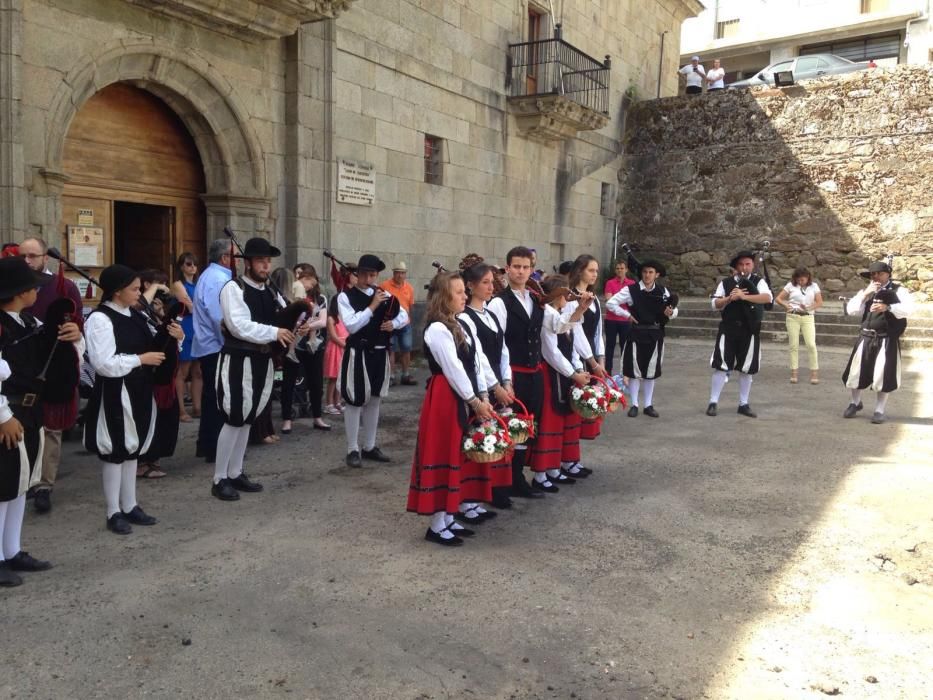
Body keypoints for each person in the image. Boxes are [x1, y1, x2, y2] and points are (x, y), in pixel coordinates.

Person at [0, 256, 82, 585]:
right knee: (3, 485)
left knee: (19, 484)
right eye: (34, 287)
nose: (38, 292)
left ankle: (12, 549)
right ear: (21, 292)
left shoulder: (28, 323)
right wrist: (3, 416)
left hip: (30, 412)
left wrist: (73, 335)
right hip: (9, 413)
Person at [83, 264, 183, 534]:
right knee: (116, 451)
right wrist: (140, 360)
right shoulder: (100, 319)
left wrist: (174, 336)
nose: (140, 294)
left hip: (139, 387)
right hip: (116, 391)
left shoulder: (135, 315)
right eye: (135, 289)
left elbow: (154, 346)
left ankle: (130, 505)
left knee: (132, 449)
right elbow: (102, 363)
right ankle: (112, 511)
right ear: (117, 292)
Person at [407, 272, 495, 547]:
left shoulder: (459, 325)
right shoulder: (437, 329)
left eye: (463, 292)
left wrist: (483, 394)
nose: (464, 296)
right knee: (444, 451)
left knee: (458, 452)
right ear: (444, 297)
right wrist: (475, 401)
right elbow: (453, 369)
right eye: (458, 293)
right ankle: (436, 524)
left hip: (462, 395)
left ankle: (447, 517)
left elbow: (475, 363)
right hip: (446, 397)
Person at [211, 238, 294, 501]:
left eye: (268, 261)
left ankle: (236, 472)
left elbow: (283, 318)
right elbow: (238, 326)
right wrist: (275, 331)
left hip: (263, 359)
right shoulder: (233, 288)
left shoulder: (271, 291)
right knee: (235, 416)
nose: (265, 266)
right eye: (260, 261)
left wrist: (295, 327)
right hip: (238, 359)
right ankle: (219, 478)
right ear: (247, 263)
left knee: (248, 417)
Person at [19, 236, 84, 514]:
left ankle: (45, 484)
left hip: (54, 363)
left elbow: (78, 323)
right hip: (21, 363)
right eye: (22, 255)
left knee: (51, 428)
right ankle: (23, 481)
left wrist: (76, 332)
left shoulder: (63, 286)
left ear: (46, 257)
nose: (26, 261)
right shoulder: (12, 284)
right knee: (22, 425)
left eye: (32, 256)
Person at [338, 254, 409, 467]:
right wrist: (372, 307)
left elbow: (403, 314)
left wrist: (393, 325)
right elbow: (351, 326)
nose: (369, 278)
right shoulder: (345, 297)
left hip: (380, 353)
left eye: (373, 274)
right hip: (357, 353)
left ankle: (369, 446)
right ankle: (352, 448)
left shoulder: (385, 295)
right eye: (365, 274)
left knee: (375, 399)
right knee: (355, 400)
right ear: (357, 274)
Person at [487, 246, 545, 500]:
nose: (521, 272)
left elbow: (554, 326)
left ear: (531, 269)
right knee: (507, 427)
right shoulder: (500, 302)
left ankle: (517, 477)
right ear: (507, 268)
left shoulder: (534, 299)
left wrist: (578, 309)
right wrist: (502, 381)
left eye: (526, 267)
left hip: (534, 373)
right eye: (517, 267)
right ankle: (499, 485)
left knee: (525, 428)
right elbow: (495, 344)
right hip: (512, 374)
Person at [459, 257, 515, 513]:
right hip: (479, 385)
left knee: (493, 441)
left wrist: (507, 380)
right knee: (478, 439)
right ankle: (468, 499)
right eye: (485, 283)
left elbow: (503, 350)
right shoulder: (465, 316)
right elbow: (478, 357)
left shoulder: (491, 314)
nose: (491, 287)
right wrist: (495, 387)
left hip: (497, 383)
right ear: (470, 286)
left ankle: (487, 492)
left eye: (492, 282)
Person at [530, 275, 592, 492]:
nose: (568, 295)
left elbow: (570, 339)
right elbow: (551, 352)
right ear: (555, 294)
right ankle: (541, 472)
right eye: (564, 292)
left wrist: (578, 369)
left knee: (564, 420)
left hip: (565, 374)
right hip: (551, 375)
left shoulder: (559, 314)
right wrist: (573, 373)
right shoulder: (547, 314)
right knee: (550, 423)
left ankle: (556, 466)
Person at [842, 261, 914, 424]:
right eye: (873, 274)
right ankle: (855, 403)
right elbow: (851, 309)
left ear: (887, 274)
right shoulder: (867, 291)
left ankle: (879, 409)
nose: (876, 277)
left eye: (879, 274)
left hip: (886, 338)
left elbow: (908, 309)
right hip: (866, 337)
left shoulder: (899, 291)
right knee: (856, 373)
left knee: (883, 374)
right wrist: (865, 293)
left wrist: (887, 308)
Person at [607, 259, 677, 417]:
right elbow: (611, 303)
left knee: (650, 371)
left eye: (651, 272)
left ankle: (648, 405)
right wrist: (627, 315)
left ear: (656, 274)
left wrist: (671, 313)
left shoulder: (663, 291)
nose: (647, 275)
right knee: (634, 371)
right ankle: (634, 405)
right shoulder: (630, 290)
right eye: (645, 272)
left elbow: (674, 310)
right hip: (636, 333)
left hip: (655, 334)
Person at [707, 251, 773, 418]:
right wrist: (729, 298)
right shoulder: (726, 283)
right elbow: (715, 304)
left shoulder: (759, 281)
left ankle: (743, 404)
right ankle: (713, 402)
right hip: (728, 328)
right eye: (741, 264)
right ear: (736, 266)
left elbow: (767, 298)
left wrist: (745, 296)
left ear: (752, 265)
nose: (744, 267)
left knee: (746, 368)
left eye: (748, 264)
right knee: (721, 366)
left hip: (749, 329)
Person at [137, 270, 182, 479]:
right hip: (146, 375)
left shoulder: (161, 315)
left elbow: (173, 342)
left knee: (166, 419)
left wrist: (179, 335)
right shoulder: (136, 312)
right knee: (148, 419)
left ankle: (154, 459)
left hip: (165, 377)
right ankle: (143, 462)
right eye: (157, 285)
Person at [192, 238, 234, 463]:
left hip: (212, 346)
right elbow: (220, 317)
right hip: (216, 347)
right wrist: (231, 344)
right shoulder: (217, 279)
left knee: (214, 397)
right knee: (218, 398)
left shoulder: (213, 276)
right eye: (234, 257)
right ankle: (215, 447)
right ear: (225, 258)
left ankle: (208, 444)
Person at [280, 264, 330, 433]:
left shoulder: (321, 299)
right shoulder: (291, 296)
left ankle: (317, 417)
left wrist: (309, 326)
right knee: (288, 383)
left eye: (308, 279)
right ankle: (286, 420)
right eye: (302, 279)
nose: (305, 283)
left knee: (316, 383)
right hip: (294, 344)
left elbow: (323, 321)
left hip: (314, 346)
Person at [567, 255, 607, 443]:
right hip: (577, 358)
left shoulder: (595, 300)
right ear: (580, 270)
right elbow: (576, 334)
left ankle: (574, 459)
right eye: (591, 270)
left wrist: (601, 361)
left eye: (596, 271)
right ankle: (568, 460)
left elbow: (598, 333)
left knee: (590, 408)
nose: (595, 274)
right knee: (576, 407)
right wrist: (590, 362)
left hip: (593, 358)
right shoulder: (570, 298)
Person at [775, 267, 822, 385]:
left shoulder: (814, 286)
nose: (801, 282)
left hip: (808, 316)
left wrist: (809, 308)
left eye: (803, 280)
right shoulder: (790, 285)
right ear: (795, 279)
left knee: (811, 344)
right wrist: (786, 306)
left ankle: (814, 373)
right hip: (793, 316)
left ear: (808, 278)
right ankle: (794, 373)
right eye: (799, 280)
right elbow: (778, 299)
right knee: (793, 345)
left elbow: (819, 302)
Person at [171, 252, 202, 422]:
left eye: (194, 264)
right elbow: (190, 306)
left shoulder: (197, 283)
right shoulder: (178, 284)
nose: (192, 267)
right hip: (186, 327)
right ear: (181, 266)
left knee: (198, 371)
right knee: (183, 370)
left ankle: (198, 407)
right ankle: (181, 410)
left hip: (198, 328)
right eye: (189, 264)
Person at [380, 262, 416, 386]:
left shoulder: (409, 288)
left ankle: (406, 374)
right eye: (397, 272)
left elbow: (410, 306)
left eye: (402, 273)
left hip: (405, 324)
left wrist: (409, 320)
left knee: (406, 348)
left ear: (405, 274)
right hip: (390, 323)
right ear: (394, 273)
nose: (400, 275)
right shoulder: (384, 285)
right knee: (391, 350)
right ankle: (391, 376)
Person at [603, 259, 635, 376]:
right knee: (609, 346)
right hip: (611, 320)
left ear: (626, 269)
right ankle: (608, 372)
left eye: (622, 268)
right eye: (617, 268)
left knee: (625, 347)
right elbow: (608, 300)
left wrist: (616, 300)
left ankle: (624, 373)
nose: (619, 270)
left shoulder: (631, 284)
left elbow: (632, 302)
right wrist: (622, 299)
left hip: (625, 320)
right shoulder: (610, 283)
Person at [323, 286, 351, 416]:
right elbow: (333, 337)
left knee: (342, 377)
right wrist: (345, 344)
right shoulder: (331, 318)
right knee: (333, 378)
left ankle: (338, 401)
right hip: (336, 349)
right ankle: (329, 403)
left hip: (344, 347)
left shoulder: (344, 317)